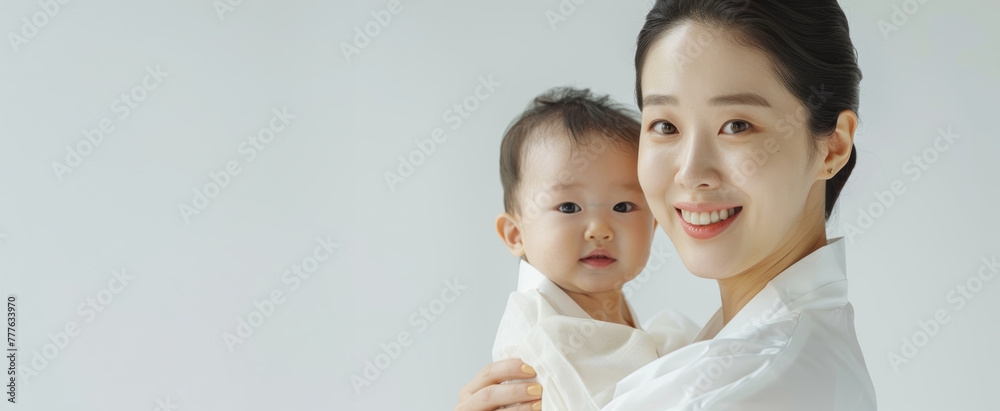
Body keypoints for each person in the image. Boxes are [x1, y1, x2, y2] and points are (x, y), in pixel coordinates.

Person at [456, 0, 877, 409]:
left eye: (737, 125)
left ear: (832, 146)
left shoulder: (751, 384)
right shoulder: (744, 347)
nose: (691, 172)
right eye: (665, 126)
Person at [491, 87, 699, 411]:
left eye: (623, 206)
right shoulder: (546, 332)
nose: (600, 229)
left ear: (654, 224)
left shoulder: (593, 308)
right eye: (569, 207)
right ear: (516, 234)